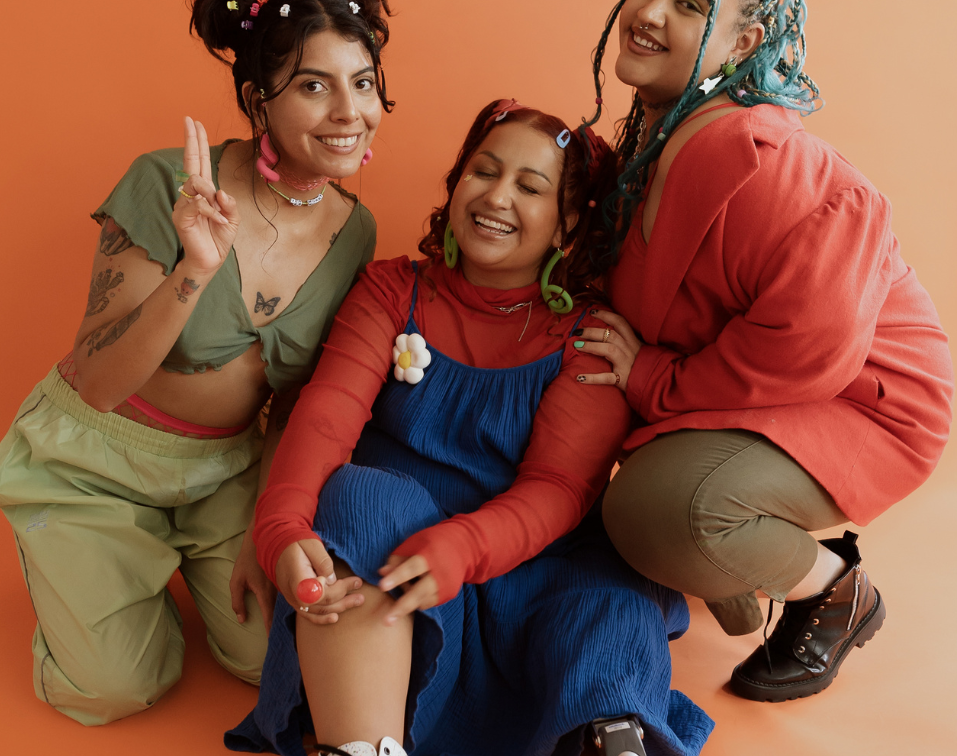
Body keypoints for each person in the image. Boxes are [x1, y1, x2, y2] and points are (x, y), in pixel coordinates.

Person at [225, 101, 714, 756]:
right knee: (356, 500)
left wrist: (464, 546)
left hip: (535, 559)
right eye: (483, 172)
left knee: (610, 600)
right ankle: (363, 744)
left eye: (530, 186)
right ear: (456, 184)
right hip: (395, 554)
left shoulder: (588, 337)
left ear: (568, 222)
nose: (497, 196)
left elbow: (559, 488)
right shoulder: (391, 291)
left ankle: (604, 737)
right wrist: (279, 524)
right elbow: (327, 412)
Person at [0, 0, 392, 725]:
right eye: (313, 85)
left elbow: (296, 395)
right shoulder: (165, 182)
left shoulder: (355, 230)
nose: (349, 111)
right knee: (118, 687)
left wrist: (269, 519)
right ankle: (85, 557)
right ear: (255, 100)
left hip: (224, 472)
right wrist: (196, 270)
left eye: (362, 83)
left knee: (270, 656)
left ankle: (160, 564)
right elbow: (99, 381)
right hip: (94, 460)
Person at [573, 0, 953, 702]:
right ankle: (730, 566)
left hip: (866, 398)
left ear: (743, 44)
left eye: (689, 3)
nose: (651, 12)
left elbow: (811, 343)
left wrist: (656, 380)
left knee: (647, 512)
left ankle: (832, 590)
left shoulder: (760, 157)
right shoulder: (652, 137)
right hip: (774, 383)